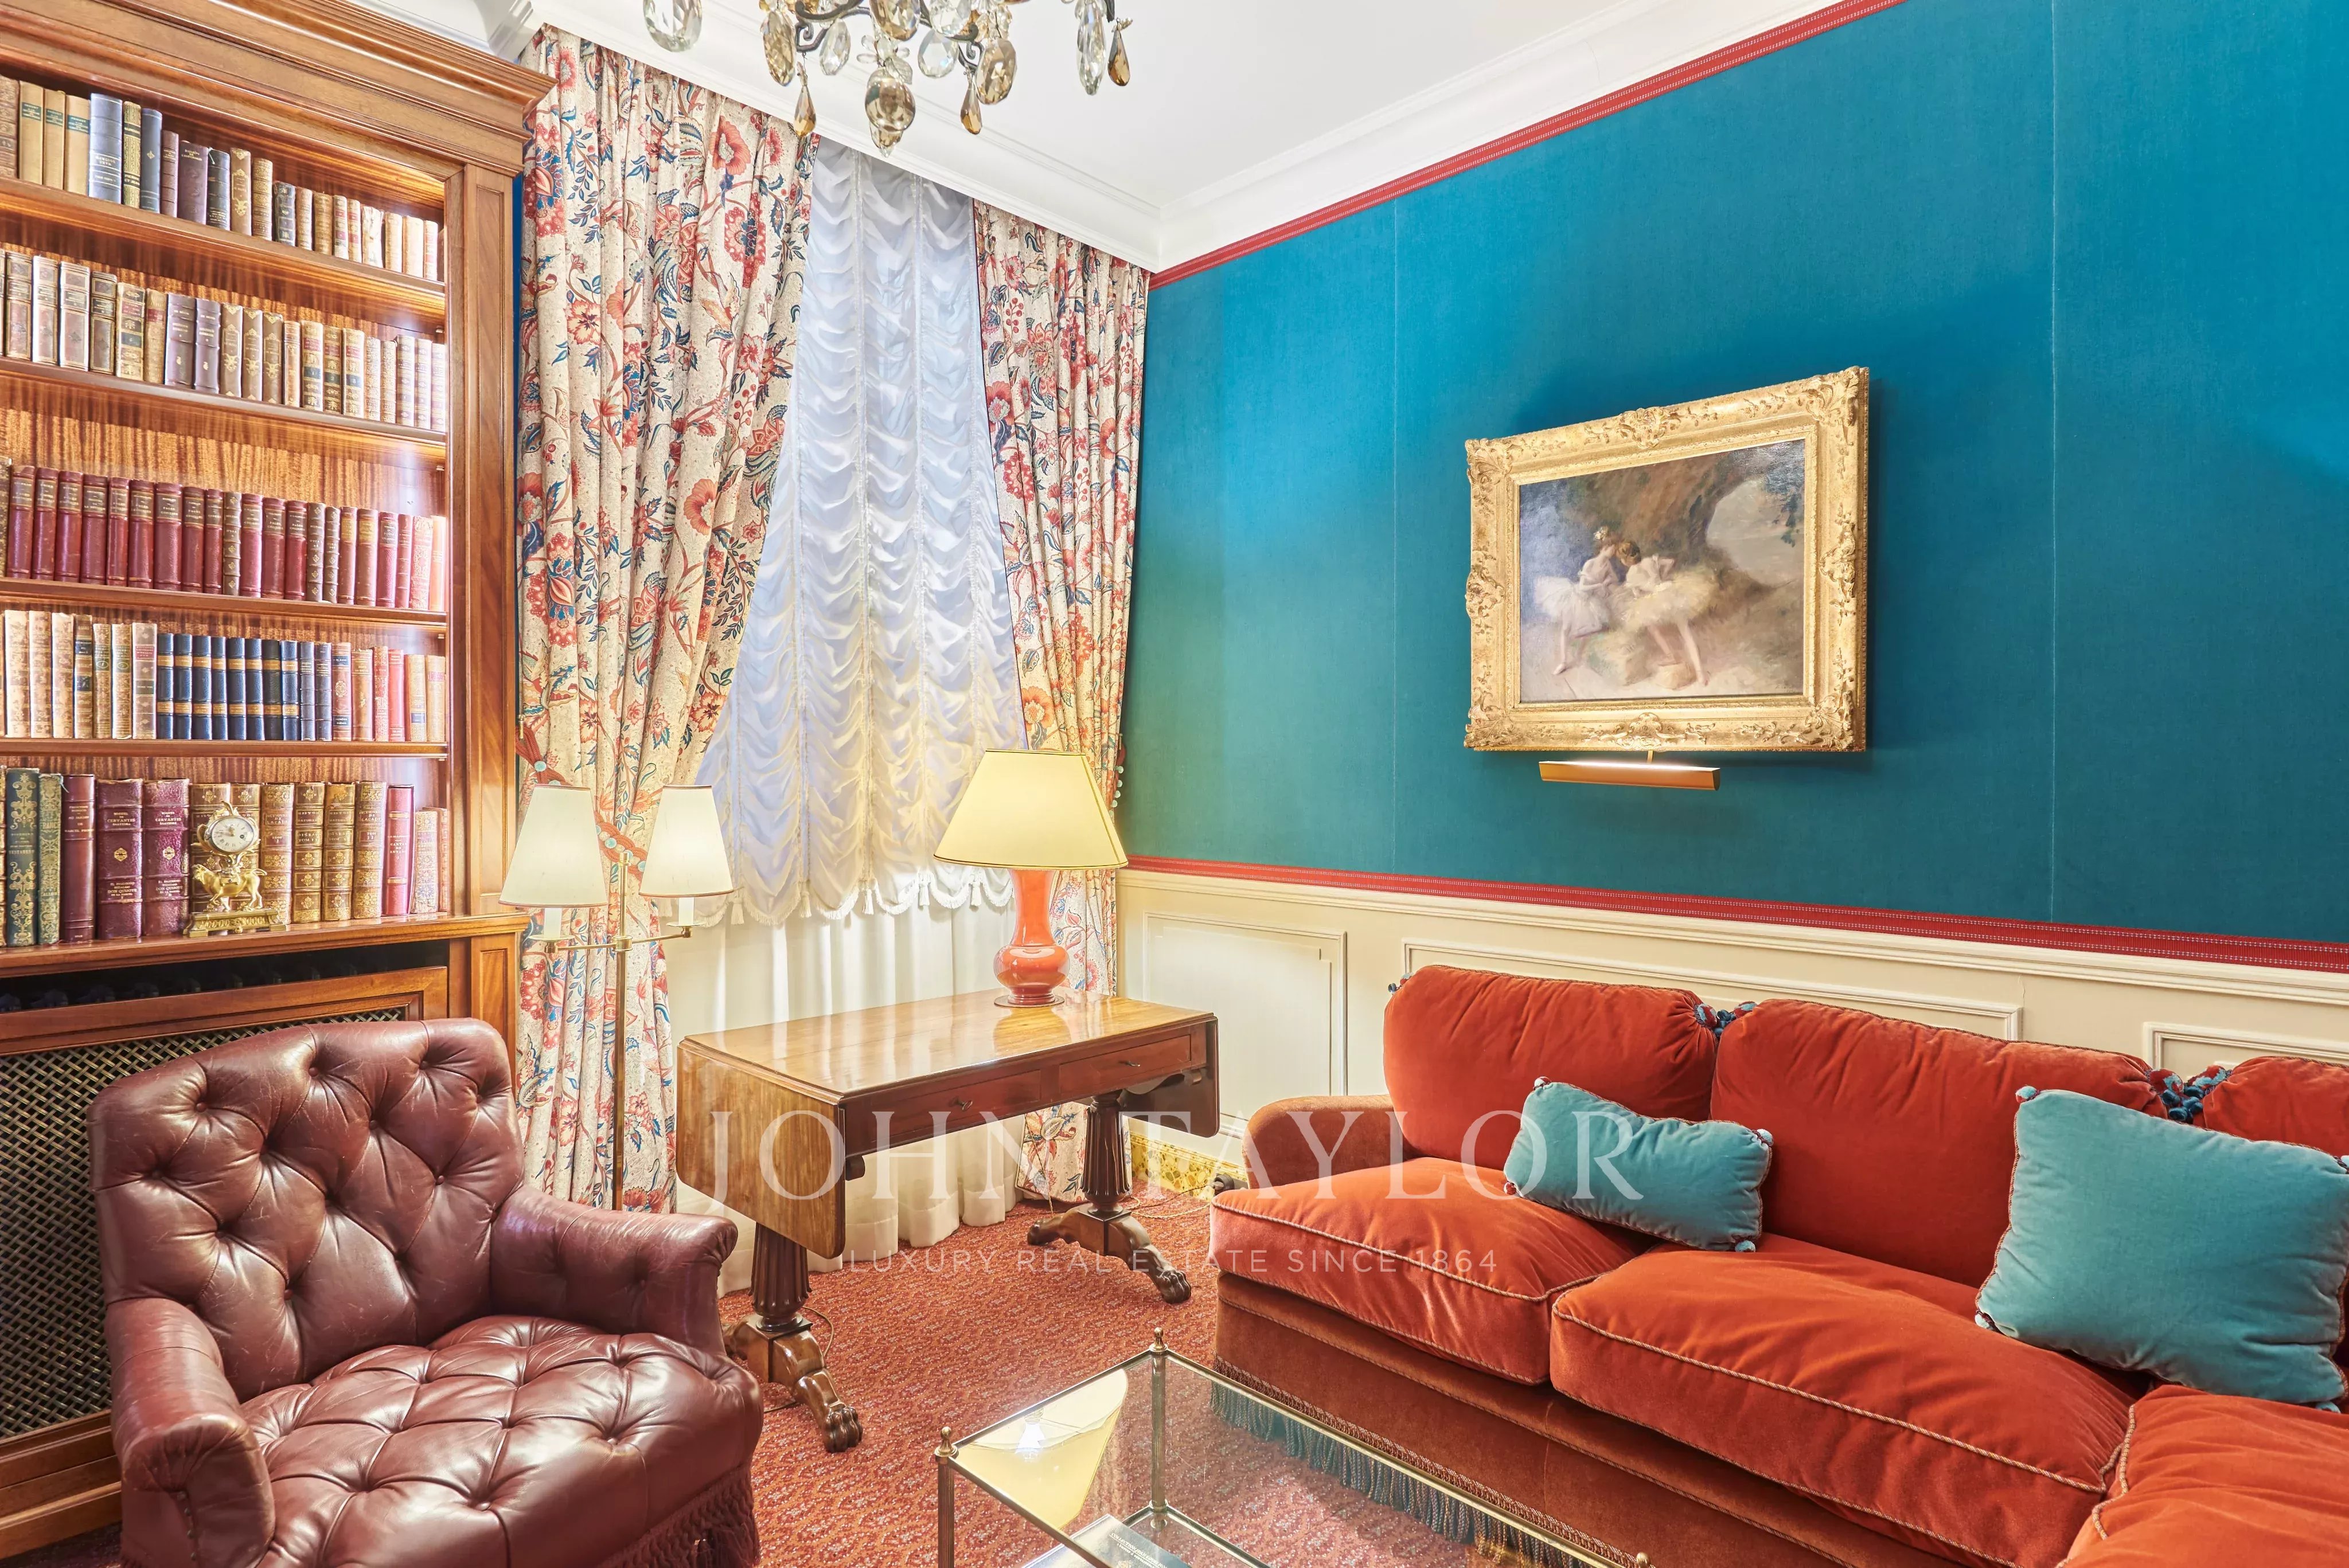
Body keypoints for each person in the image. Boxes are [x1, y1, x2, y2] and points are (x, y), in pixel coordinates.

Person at [1617, 540, 1716, 687]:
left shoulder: (1631, 575)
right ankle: (1701, 674)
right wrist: (1661, 578)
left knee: (1651, 627)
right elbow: (1671, 562)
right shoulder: (1649, 561)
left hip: (1656, 600)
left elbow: (1638, 595)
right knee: (1686, 633)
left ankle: (1671, 655)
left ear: (1625, 560)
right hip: (1669, 592)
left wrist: (1649, 590)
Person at [1531, 529, 1622, 681]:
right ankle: (1563, 662)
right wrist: (1600, 585)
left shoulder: (1607, 565)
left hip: (1590, 600)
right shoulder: (1590, 564)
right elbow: (1583, 587)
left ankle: (1579, 656)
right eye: (1613, 548)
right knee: (1566, 629)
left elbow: (1615, 579)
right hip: (1576, 598)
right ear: (1605, 548)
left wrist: (1607, 581)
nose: (1614, 551)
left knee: (1589, 629)